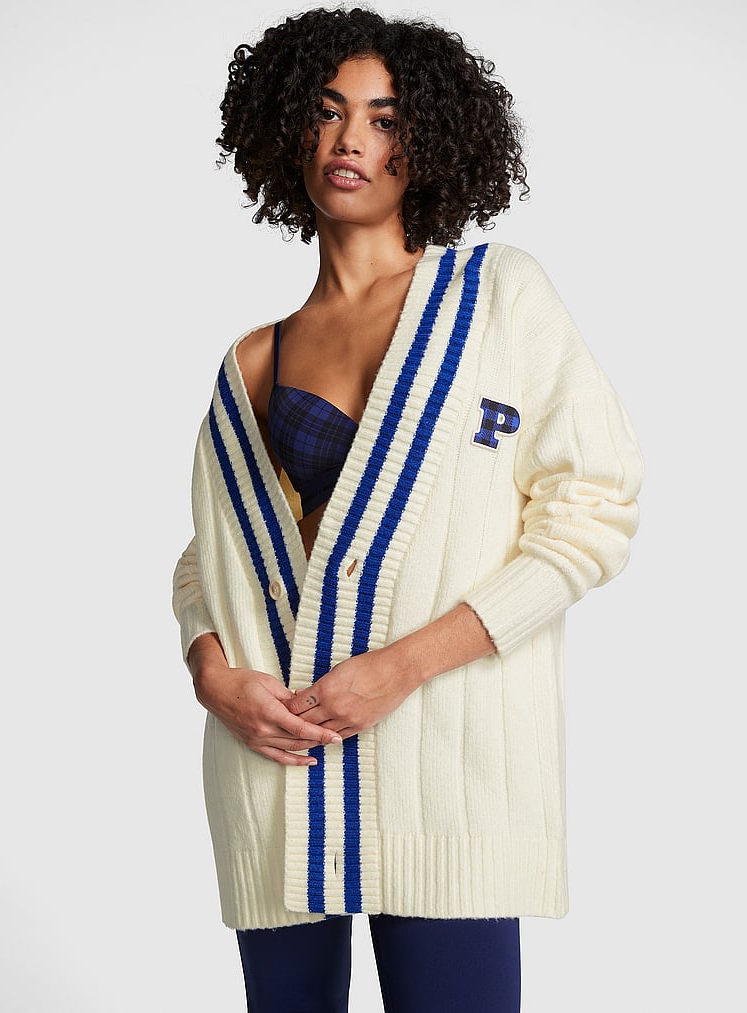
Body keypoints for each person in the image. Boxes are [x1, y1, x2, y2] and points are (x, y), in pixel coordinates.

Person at [171, 6, 643, 1011]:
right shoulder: (251, 359)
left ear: (426, 144)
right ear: (287, 129)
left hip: (447, 767)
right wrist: (212, 673)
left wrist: (401, 667)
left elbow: (593, 509)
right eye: (326, 111)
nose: (349, 140)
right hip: (272, 767)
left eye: (384, 119)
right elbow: (209, 558)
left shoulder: (497, 297)